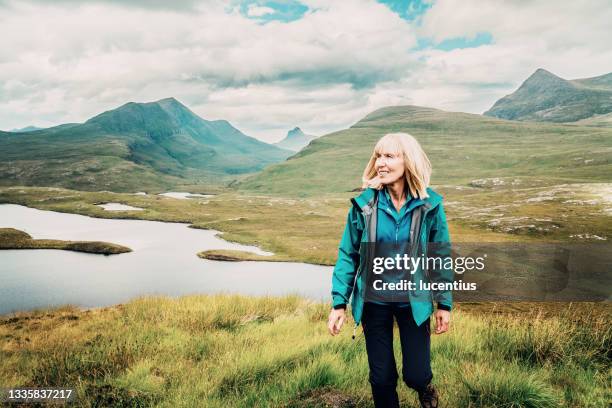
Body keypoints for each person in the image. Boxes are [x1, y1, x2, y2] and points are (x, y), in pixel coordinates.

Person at [327, 132, 453, 408]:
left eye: (389, 156)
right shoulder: (364, 206)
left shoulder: (430, 205)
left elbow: (439, 254)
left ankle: (425, 389)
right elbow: (348, 254)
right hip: (374, 302)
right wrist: (339, 303)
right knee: (382, 379)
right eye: (378, 156)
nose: (380, 163)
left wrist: (444, 303)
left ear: (408, 161)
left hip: (413, 302)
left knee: (416, 375)